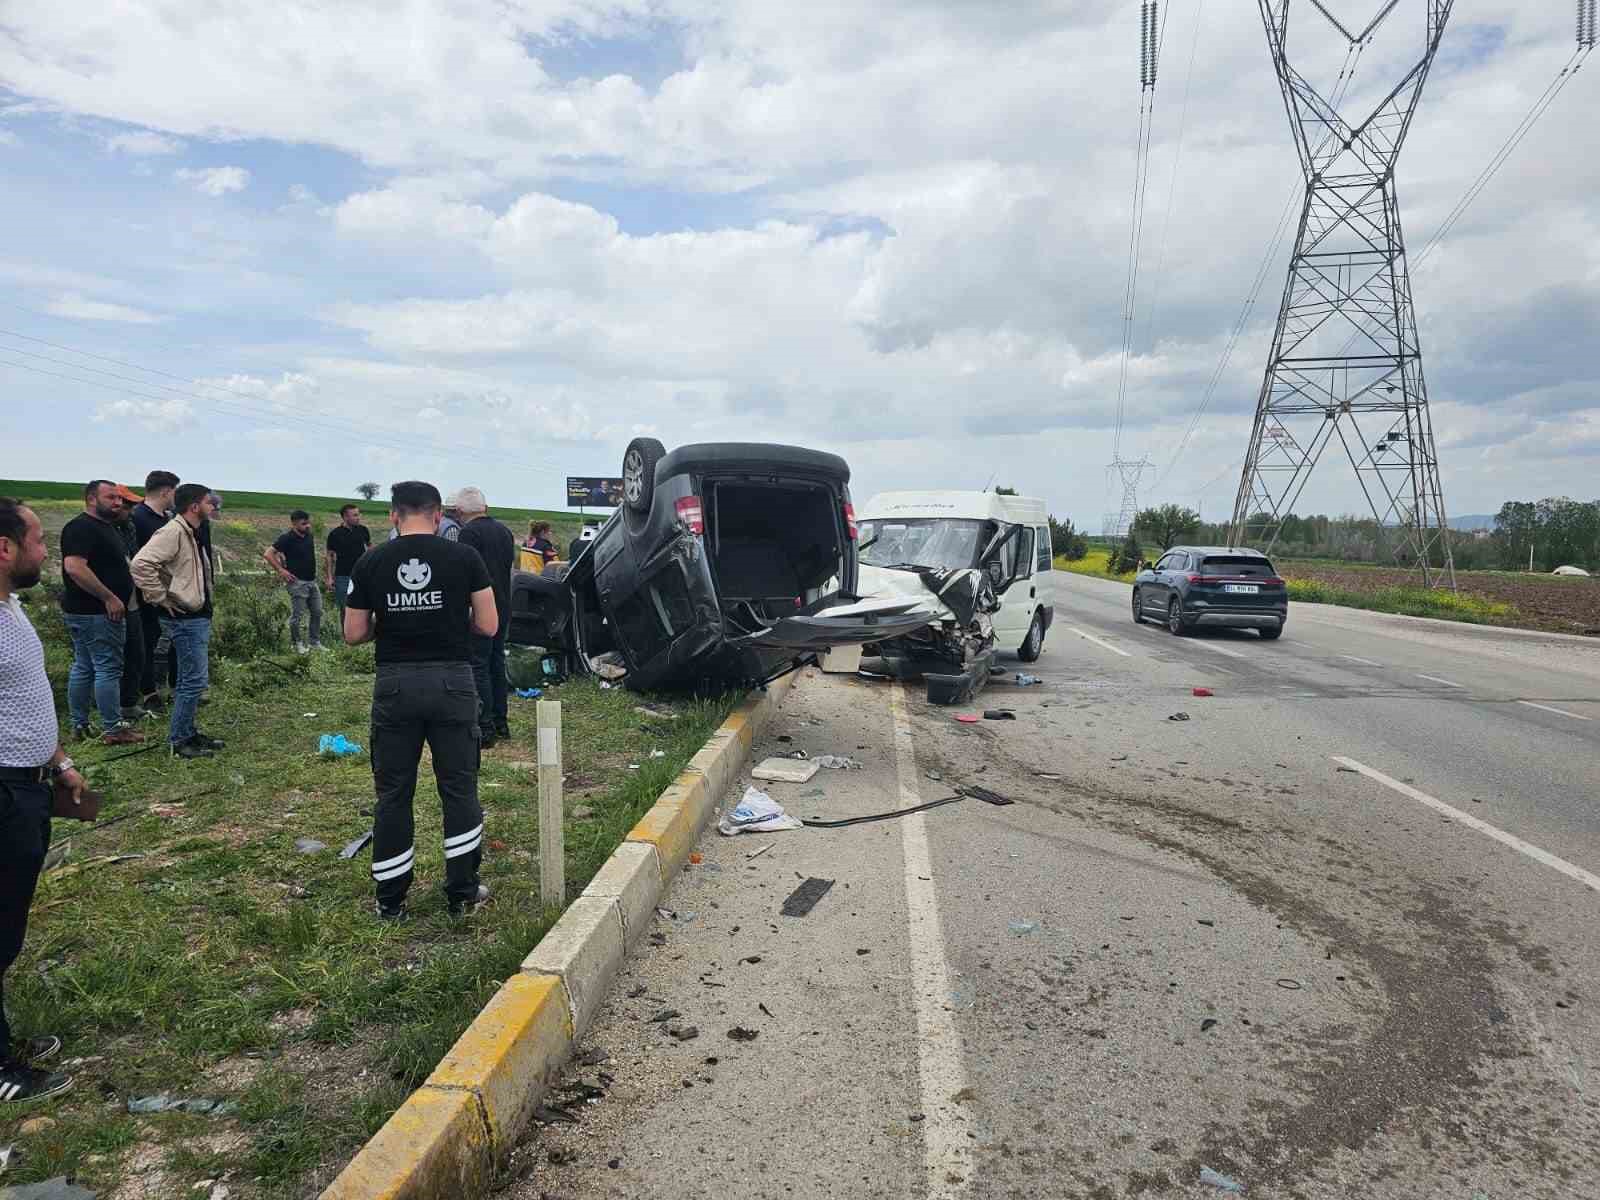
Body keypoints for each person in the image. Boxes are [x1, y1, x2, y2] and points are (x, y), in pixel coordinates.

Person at [345, 481, 497, 919]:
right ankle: (462, 893)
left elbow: (354, 634)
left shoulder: (371, 561)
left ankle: (391, 901)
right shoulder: (465, 557)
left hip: (395, 685)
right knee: (459, 788)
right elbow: (488, 625)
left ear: (393, 515)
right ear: (437, 516)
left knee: (393, 793)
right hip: (453, 682)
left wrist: (388, 623)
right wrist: (449, 618)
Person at [0, 497, 83, 1104]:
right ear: (3, 549)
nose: (42, 550)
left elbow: (23, 701)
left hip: (28, 783)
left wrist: (59, 763)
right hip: (3, 789)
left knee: (7, 925)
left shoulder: (11, 608)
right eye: (34, 540)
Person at [131, 484, 224, 759]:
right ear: (195, 506)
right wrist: (160, 596)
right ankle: (180, 740)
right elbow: (140, 564)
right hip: (185, 618)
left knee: (190, 679)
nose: (214, 507)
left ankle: (188, 732)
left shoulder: (189, 531)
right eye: (210, 503)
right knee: (192, 681)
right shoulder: (173, 532)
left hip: (195, 616)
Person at [59, 481, 144, 746]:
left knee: (84, 666)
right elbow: (74, 567)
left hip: (88, 612)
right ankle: (113, 729)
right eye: (111, 497)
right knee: (108, 667)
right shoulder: (81, 527)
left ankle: (80, 724)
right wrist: (108, 597)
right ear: (91, 499)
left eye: (119, 498)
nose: (118, 502)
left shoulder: (106, 527)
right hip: (96, 612)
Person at [457, 488, 515, 747]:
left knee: (478, 665)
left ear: (460, 512)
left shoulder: (468, 533)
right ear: (486, 507)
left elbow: (466, 572)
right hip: (503, 604)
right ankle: (502, 722)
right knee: (496, 662)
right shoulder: (504, 530)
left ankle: (485, 726)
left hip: (480, 607)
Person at [130, 470, 179, 709]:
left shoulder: (166, 519)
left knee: (169, 642)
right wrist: (152, 592)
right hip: (146, 596)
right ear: (166, 491)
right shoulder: (138, 517)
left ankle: (170, 688)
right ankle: (149, 694)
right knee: (147, 644)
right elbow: (136, 561)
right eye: (174, 491)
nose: (175, 497)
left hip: (167, 594)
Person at [111, 485, 150, 723]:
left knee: (136, 652)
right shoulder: (101, 530)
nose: (130, 511)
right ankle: (109, 710)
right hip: (110, 604)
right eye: (127, 506)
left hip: (133, 600)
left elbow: (136, 559)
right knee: (113, 659)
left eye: (132, 506)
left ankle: (127, 703)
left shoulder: (129, 527)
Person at [264, 510, 323, 653]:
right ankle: (296, 643)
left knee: (317, 612)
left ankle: (314, 642)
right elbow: (268, 553)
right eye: (304, 523)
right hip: (297, 582)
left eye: (308, 523)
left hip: (312, 581)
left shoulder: (309, 536)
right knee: (298, 615)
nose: (308, 526)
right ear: (294, 523)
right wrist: (281, 570)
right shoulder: (286, 538)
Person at [325, 503, 371, 621]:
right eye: (355, 515)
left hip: (361, 575)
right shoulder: (335, 534)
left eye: (358, 514)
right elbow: (329, 556)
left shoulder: (363, 530)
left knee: (364, 605)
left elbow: (370, 549)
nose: (358, 517)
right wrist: (329, 577)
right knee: (345, 608)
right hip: (343, 576)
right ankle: (346, 636)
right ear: (345, 517)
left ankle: (362, 634)